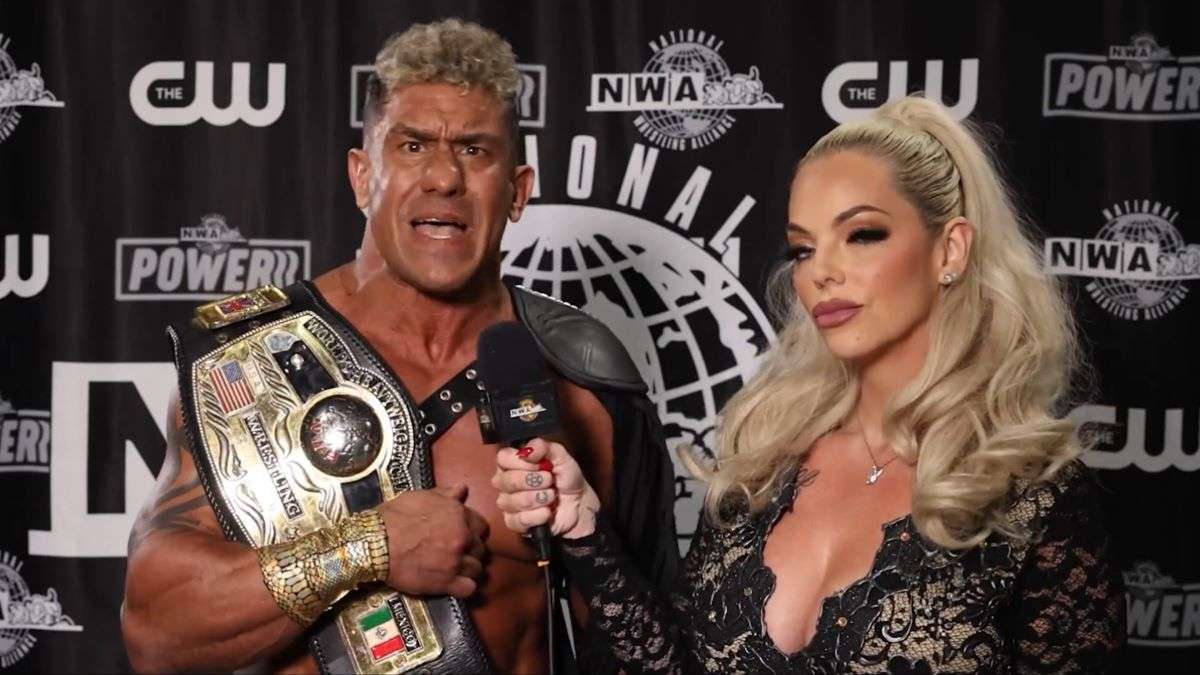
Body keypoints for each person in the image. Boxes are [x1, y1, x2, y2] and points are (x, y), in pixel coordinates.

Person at [120, 19, 678, 674]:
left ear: (518, 189)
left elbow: (656, 652)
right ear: (363, 176)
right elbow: (157, 632)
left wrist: (583, 535)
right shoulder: (249, 363)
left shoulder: (580, 374)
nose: (443, 177)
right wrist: (369, 548)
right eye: (412, 146)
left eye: (474, 150)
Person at [494, 96, 1126, 673]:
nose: (821, 271)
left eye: (862, 234)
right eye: (802, 249)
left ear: (950, 250)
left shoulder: (1033, 493)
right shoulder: (768, 460)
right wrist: (582, 527)